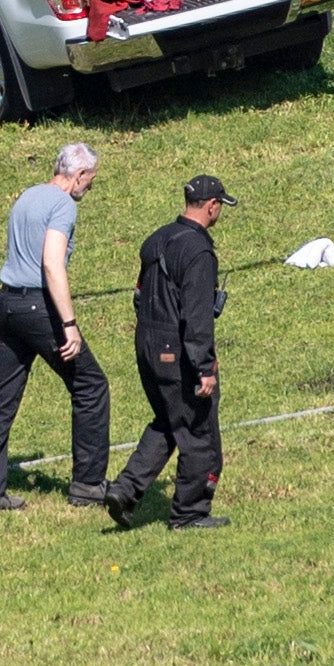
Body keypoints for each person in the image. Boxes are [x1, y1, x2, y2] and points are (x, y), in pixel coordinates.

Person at [0, 142, 113, 513]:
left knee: (0, 400)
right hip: (38, 306)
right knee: (90, 384)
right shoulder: (62, 205)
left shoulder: (28, 196)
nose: (89, 189)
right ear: (79, 175)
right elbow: (52, 264)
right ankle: (88, 484)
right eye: (90, 181)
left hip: (7, 304)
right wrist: (69, 324)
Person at [109, 175, 232, 532]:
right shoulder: (198, 252)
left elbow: (139, 296)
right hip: (177, 350)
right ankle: (189, 513)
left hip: (147, 344)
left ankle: (125, 490)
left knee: (168, 419)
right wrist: (204, 366)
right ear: (211, 206)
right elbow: (196, 317)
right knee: (198, 430)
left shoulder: (156, 240)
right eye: (220, 205)